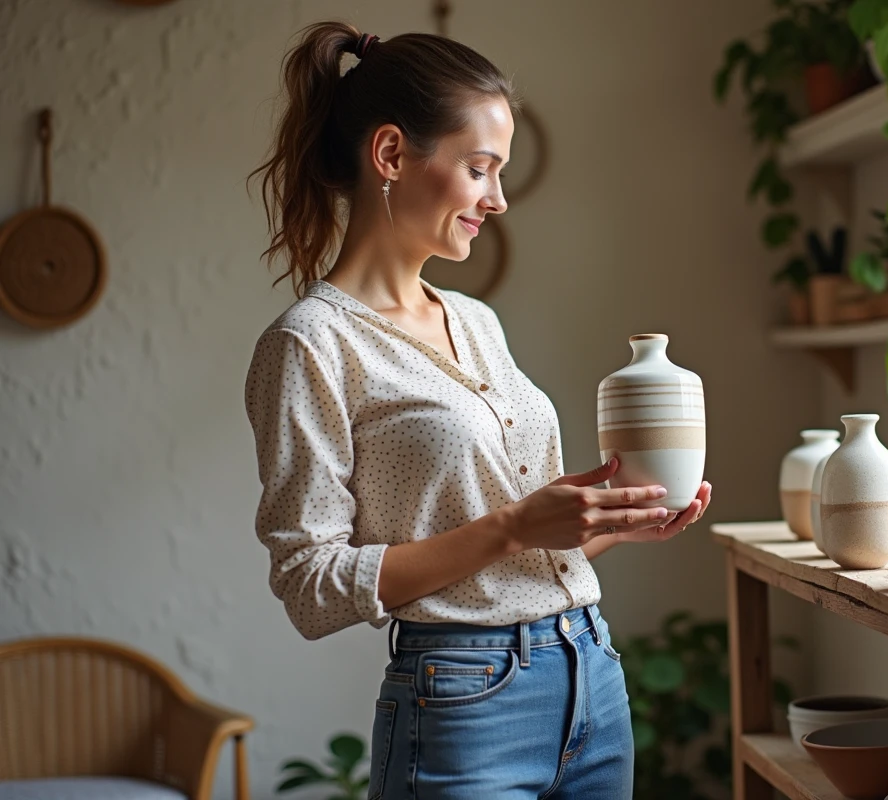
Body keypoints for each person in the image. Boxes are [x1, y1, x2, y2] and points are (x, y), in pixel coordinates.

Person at [243, 22, 712, 799]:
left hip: (590, 673)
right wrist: (519, 525)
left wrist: (609, 524)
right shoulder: (310, 344)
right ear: (391, 155)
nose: (496, 199)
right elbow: (311, 585)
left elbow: (516, 563)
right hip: (464, 703)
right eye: (480, 169)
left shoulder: (476, 321)